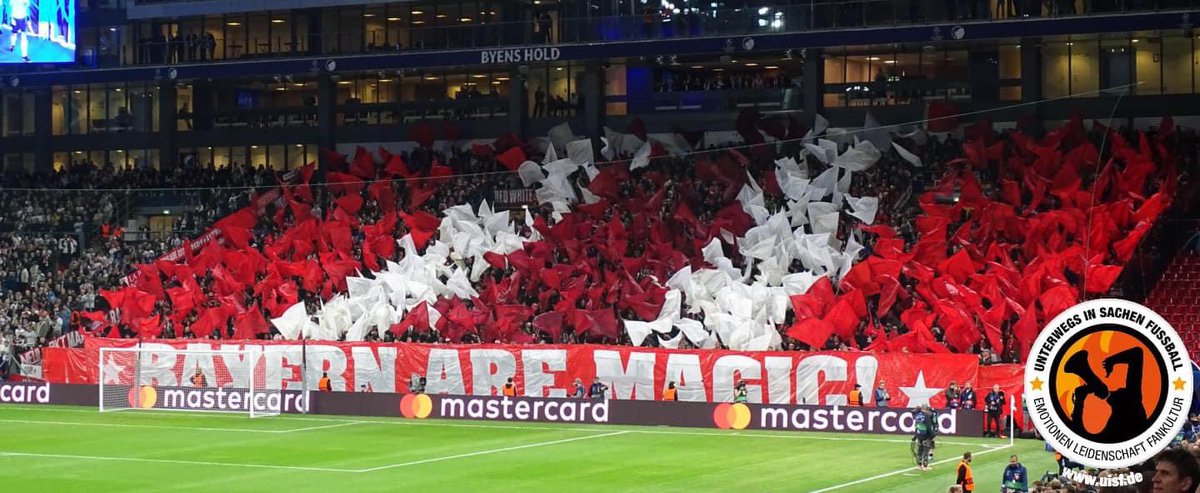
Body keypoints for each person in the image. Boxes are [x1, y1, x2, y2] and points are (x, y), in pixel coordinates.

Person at [913, 404, 937, 471]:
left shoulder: (917, 416)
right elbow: (929, 427)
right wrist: (933, 436)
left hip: (919, 435)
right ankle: (925, 466)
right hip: (926, 436)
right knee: (926, 450)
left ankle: (919, 465)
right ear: (926, 409)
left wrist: (915, 436)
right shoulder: (926, 416)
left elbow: (916, 426)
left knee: (919, 450)